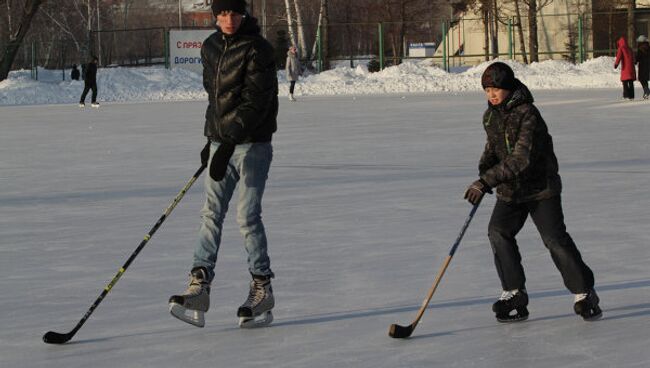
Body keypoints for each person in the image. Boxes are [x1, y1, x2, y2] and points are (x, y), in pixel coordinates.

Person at [168, 0, 278, 329]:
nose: (228, 19)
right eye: (223, 12)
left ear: (244, 14)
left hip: (252, 145)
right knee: (211, 213)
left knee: (247, 216)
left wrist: (228, 142)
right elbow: (215, 100)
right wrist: (211, 139)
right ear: (215, 15)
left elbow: (254, 101)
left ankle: (262, 287)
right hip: (222, 141)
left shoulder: (259, 48)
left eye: (234, 12)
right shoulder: (211, 46)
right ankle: (199, 285)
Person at [464, 62, 601, 323]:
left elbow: (520, 158)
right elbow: (492, 150)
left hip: (541, 189)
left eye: (496, 89)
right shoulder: (490, 116)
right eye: (487, 90)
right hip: (511, 190)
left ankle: (584, 293)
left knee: (554, 239)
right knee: (498, 231)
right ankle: (514, 292)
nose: (491, 95)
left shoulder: (528, 114)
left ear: (509, 87)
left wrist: (486, 181)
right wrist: (484, 173)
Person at [614, 36, 636, 100]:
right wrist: (634, 61)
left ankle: (626, 95)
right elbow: (633, 57)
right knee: (631, 82)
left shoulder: (621, 48)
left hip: (625, 68)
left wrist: (616, 64)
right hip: (631, 68)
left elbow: (619, 56)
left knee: (625, 82)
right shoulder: (630, 48)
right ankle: (631, 96)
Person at [635, 35, 650, 99]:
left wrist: (634, 61)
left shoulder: (640, 49)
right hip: (648, 66)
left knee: (642, 80)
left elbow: (637, 58)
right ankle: (646, 92)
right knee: (645, 79)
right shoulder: (649, 47)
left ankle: (647, 91)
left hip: (642, 67)